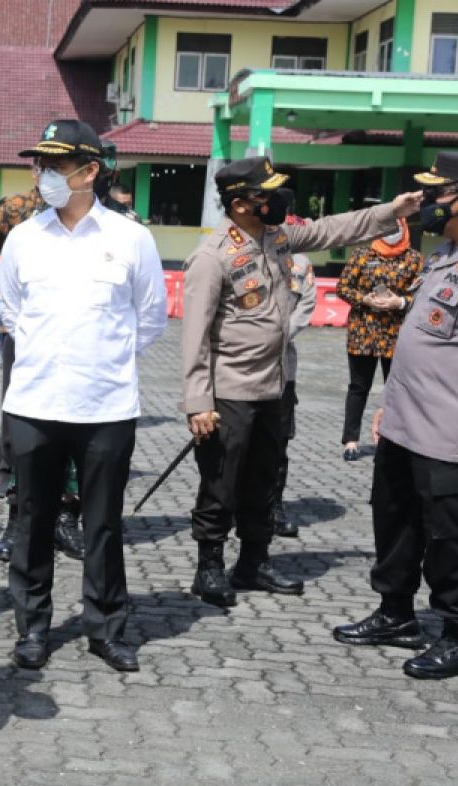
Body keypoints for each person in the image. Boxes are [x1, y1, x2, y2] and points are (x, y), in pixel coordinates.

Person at [181, 156, 421, 608]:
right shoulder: (211, 258)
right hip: (229, 392)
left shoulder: (278, 238)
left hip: (275, 386)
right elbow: (194, 338)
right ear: (239, 204)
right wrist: (198, 402)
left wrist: (394, 210)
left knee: (265, 479)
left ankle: (253, 561)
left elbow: (336, 229)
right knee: (220, 482)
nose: (276, 201)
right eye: (265, 193)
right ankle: (208, 566)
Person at [334, 152, 458, 680]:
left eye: (433, 194)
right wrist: (389, 407)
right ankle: (396, 613)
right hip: (405, 425)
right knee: (394, 522)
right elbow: (422, 342)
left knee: (453, 538)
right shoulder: (447, 253)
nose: (425, 203)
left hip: (453, 436)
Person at [0, 119, 167, 672]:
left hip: (106, 408)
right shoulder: (23, 238)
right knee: (33, 523)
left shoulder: (131, 239)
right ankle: (32, 628)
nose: (41, 173)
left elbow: (150, 320)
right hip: (34, 406)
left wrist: (101, 359)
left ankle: (106, 628)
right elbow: (12, 315)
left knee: (103, 524)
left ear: (90, 170)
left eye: (54, 164)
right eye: (39, 163)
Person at [0, 178, 86, 566]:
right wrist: (12, 306)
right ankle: (17, 518)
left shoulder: (114, 220)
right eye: (46, 163)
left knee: (78, 429)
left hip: (82, 341)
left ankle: (66, 517)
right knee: (19, 428)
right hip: (23, 336)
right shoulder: (15, 208)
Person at [336, 219, 423, 461]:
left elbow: (423, 295)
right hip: (363, 332)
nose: (392, 233)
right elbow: (343, 287)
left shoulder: (414, 259)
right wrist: (365, 299)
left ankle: (390, 442)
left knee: (395, 390)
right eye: (386, 228)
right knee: (358, 387)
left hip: (396, 334)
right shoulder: (363, 255)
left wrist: (400, 302)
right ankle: (350, 441)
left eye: (396, 228)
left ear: (405, 228)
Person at [272, 240, 317, 539]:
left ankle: (272, 507)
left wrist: (278, 335)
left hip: (282, 367)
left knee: (277, 443)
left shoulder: (299, 263)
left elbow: (307, 304)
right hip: (240, 369)